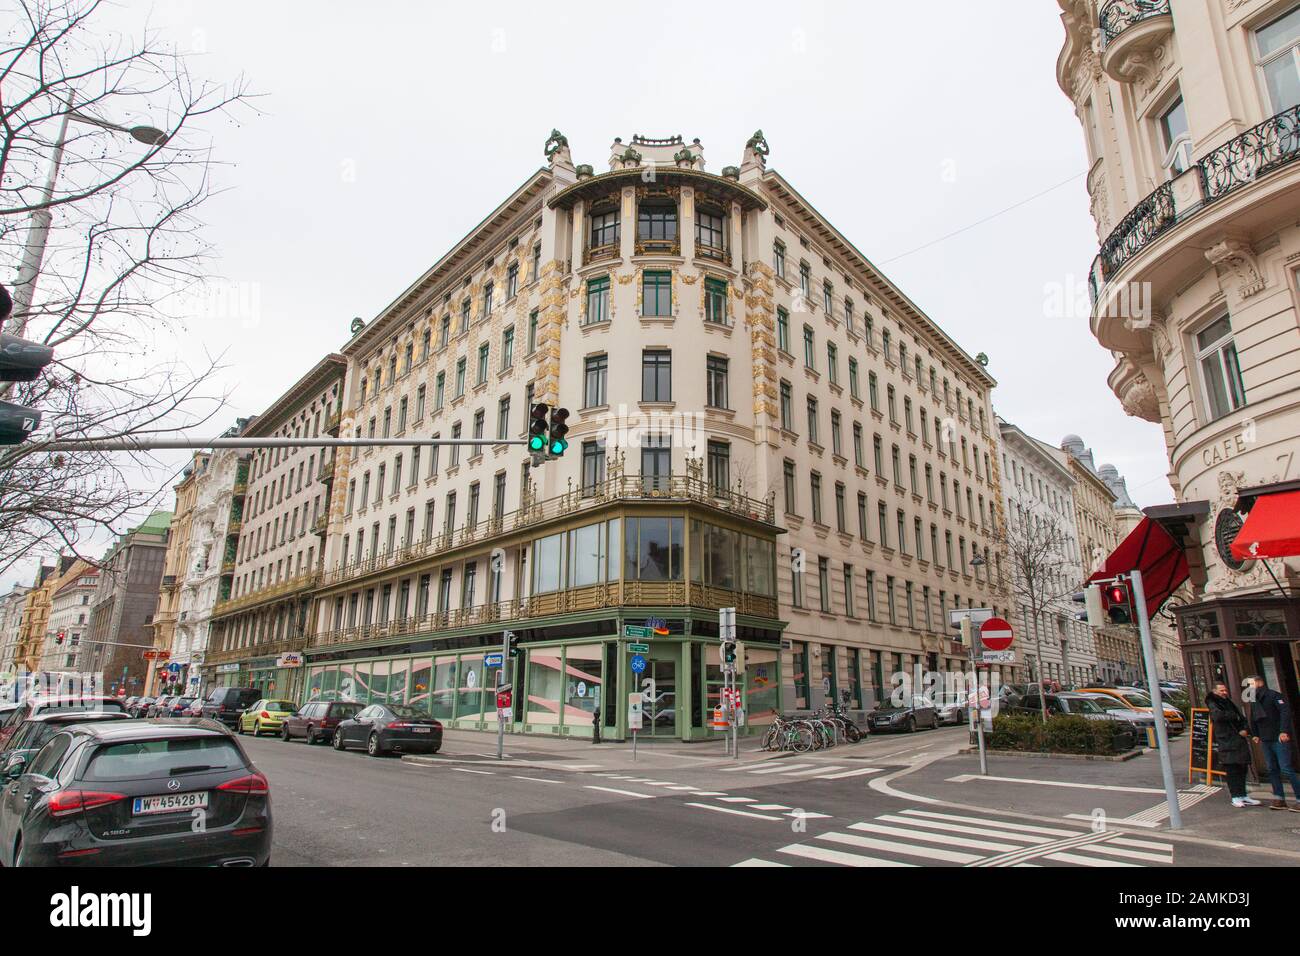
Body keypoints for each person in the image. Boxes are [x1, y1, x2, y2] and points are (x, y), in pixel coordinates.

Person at [1247, 675, 1300, 811]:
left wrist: (1283, 731)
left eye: (1251, 684)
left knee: (1286, 769)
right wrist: (1255, 734)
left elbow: (1284, 713)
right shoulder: (1253, 699)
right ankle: (1279, 798)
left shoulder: (1274, 695)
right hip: (1265, 738)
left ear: (1259, 682)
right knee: (1272, 769)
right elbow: (1253, 717)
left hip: (1278, 737)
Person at [1206, 684, 1259, 808]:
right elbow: (1218, 716)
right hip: (1227, 741)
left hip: (1238, 739)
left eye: (1225, 690)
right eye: (1221, 690)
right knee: (1232, 770)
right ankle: (1235, 796)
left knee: (1242, 768)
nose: (1225, 692)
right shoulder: (1213, 703)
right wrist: (1234, 716)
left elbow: (1241, 718)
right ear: (1215, 691)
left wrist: (1246, 729)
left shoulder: (1228, 702)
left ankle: (1243, 794)